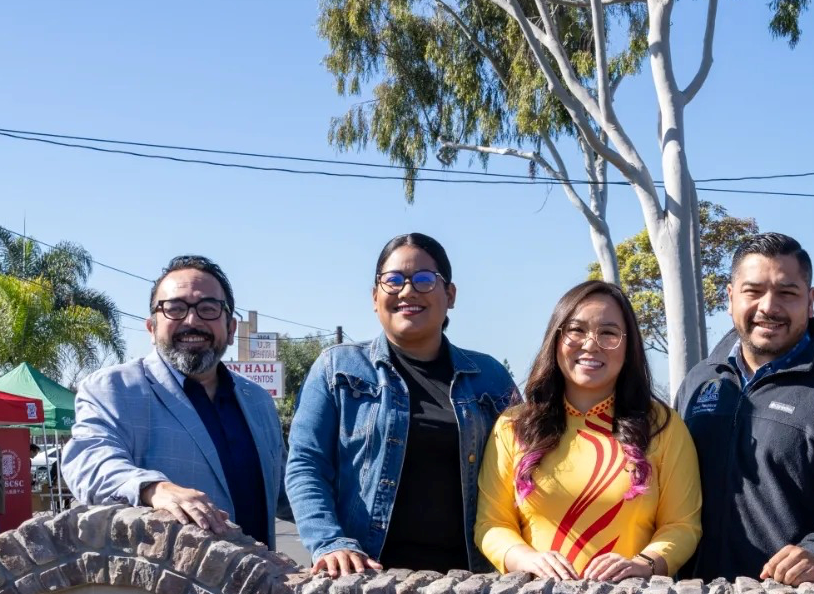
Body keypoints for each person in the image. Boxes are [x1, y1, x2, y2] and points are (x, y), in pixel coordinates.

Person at [286, 233, 518, 575]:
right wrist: (330, 541)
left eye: (425, 280)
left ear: (450, 295)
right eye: (393, 280)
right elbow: (306, 465)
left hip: (471, 584)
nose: (408, 291)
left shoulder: (490, 378)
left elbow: (527, 469)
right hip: (364, 578)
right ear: (375, 296)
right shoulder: (337, 369)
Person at [676, 232, 814, 584]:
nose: (769, 306)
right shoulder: (699, 381)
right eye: (753, 291)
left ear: (810, 301)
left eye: (787, 292)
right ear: (730, 298)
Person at [475, 281, 701, 580]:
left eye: (608, 332)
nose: (591, 344)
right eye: (576, 330)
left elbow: (683, 525)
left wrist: (644, 563)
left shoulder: (662, 426)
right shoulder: (514, 426)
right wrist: (526, 559)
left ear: (629, 345)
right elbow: (491, 524)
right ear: (555, 339)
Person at [62, 255, 284, 547]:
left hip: (259, 583)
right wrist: (155, 489)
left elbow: (287, 490)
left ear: (231, 329)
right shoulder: (113, 389)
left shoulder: (257, 401)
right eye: (175, 309)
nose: (191, 321)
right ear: (152, 328)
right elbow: (90, 462)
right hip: (167, 589)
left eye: (208, 308)